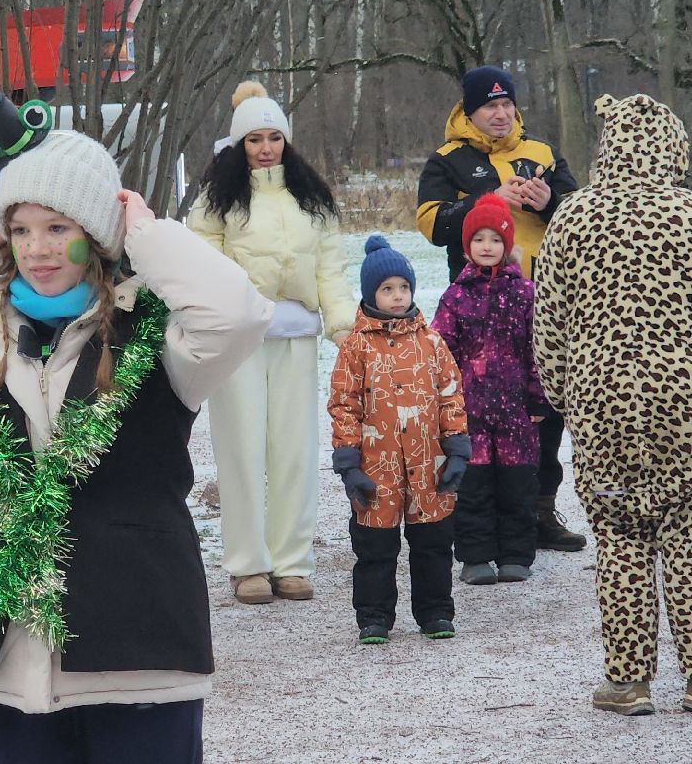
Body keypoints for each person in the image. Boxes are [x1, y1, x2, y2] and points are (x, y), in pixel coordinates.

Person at [0, 128, 270, 764]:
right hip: (12, 656)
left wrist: (144, 235)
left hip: (138, 645)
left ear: (96, 235)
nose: (36, 249)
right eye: (20, 230)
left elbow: (238, 314)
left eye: (58, 227)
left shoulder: (163, 338)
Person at [532, 93, 692, 716]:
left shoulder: (571, 219)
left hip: (604, 405)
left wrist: (569, 396)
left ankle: (626, 682)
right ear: (673, 148)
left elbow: (549, 327)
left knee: (619, 537)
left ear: (608, 148)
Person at [186, 81, 354, 605]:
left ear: (286, 140)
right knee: (240, 449)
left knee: (294, 452)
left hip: (297, 337)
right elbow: (199, 257)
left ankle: (291, 561)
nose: (265, 148)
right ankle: (247, 564)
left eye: (273, 137)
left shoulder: (312, 198)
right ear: (240, 143)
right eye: (254, 138)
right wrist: (231, 302)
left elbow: (330, 265)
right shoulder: (217, 199)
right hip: (240, 336)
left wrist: (344, 325)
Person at [416, 65, 585, 553]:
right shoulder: (448, 159)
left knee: (544, 403)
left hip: (545, 299)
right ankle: (478, 515)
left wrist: (550, 199)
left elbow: (581, 210)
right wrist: (488, 201)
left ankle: (539, 509)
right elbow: (431, 224)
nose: (501, 114)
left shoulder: (541, 153)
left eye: (507, 104)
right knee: (477, 411)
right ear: (470, 112)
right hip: (479, 308)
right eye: (490, 106)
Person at [330, 236, 470, 644]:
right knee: (375, 547)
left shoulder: (431, 342)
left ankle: (435, 612)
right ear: (371, 293)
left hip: (429, 464)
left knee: (433, 543)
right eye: (387, 289)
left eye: (403, 287)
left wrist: (457, 448)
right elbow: (344, 404)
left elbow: (450, 395)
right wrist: (348, 462)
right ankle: (374, 616)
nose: (397, 296)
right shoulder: (357, 347)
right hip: (377, 466)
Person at [431, 194, 548, 586]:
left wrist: (538, 395)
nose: (486, 246)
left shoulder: (525, 293)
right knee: (474, 487)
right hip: (470, 410)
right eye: (478, 239)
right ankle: (476, 556)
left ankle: (516, 554)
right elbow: (441, 351)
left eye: (495, 240)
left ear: (507, 245)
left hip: (516, 410)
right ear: (467, 247)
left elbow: (538, 348)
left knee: (517, 486)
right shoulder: (455, 296)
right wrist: (445, 400)